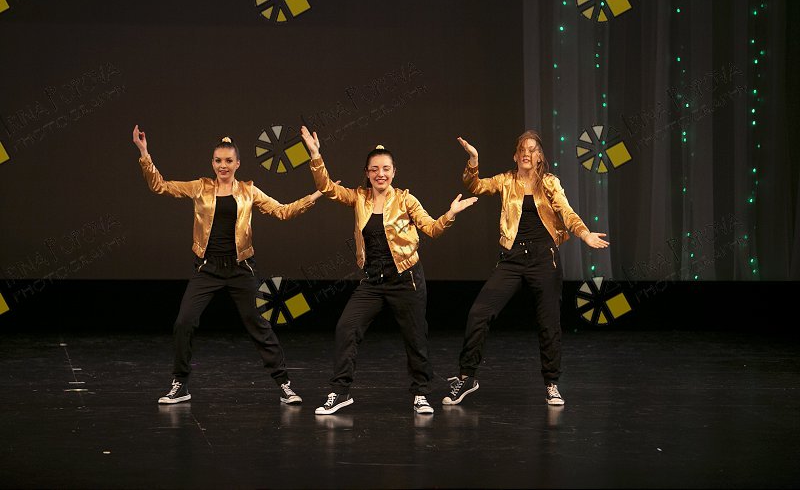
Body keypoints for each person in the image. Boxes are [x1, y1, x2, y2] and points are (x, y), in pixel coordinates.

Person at [132, 124, 323, 405]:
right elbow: (160, 186)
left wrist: (314, 196)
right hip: (207, 268)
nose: (223, 165)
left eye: (229, 161)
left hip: (240, 269)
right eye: (218, 160)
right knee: (184, 322)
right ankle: (180, 384)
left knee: (258, 324)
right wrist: (144, 153)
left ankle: (284, 384)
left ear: (237, 164)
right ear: (212, 163)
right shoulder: (200, 187)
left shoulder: (248, 191)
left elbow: (282, 212)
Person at [300, 126, 478, 415]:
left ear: (394, 172)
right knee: (346, 328)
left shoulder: (406, 200)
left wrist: (450, 214)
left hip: (406, 279)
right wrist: (315, 154)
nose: (380, 174)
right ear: (367, 173)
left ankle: (421, 394)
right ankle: (340, 392)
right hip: (372, 280)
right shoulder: (359, 197)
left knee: (415, 337)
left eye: (385, 169)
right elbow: (327, 188)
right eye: (374, 169)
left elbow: (432, 229)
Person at [443, 130, 609, 407]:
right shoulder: (506, 180)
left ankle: (552, 384)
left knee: (548, 324)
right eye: (522, 149)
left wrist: (585, 234)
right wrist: (473, 160)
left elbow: (566, 212)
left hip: (544, 259)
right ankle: (466, 377)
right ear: (515, 156)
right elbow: (475, 186)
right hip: (512, 258)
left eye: (532, 149)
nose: (526, 153)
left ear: (540, 156)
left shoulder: (550, 183)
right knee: (479, 313)